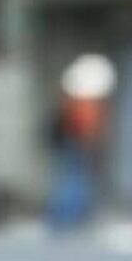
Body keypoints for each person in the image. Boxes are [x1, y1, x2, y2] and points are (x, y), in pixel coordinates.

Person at [46, 54, 113, 233]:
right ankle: (67, 218)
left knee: (71, 179)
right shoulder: (85, 103)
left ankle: (68, 218)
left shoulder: (74, 100)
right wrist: (90, 144)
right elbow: (86, 125)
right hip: (76, 144)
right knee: (74, 180)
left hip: (72, 142)